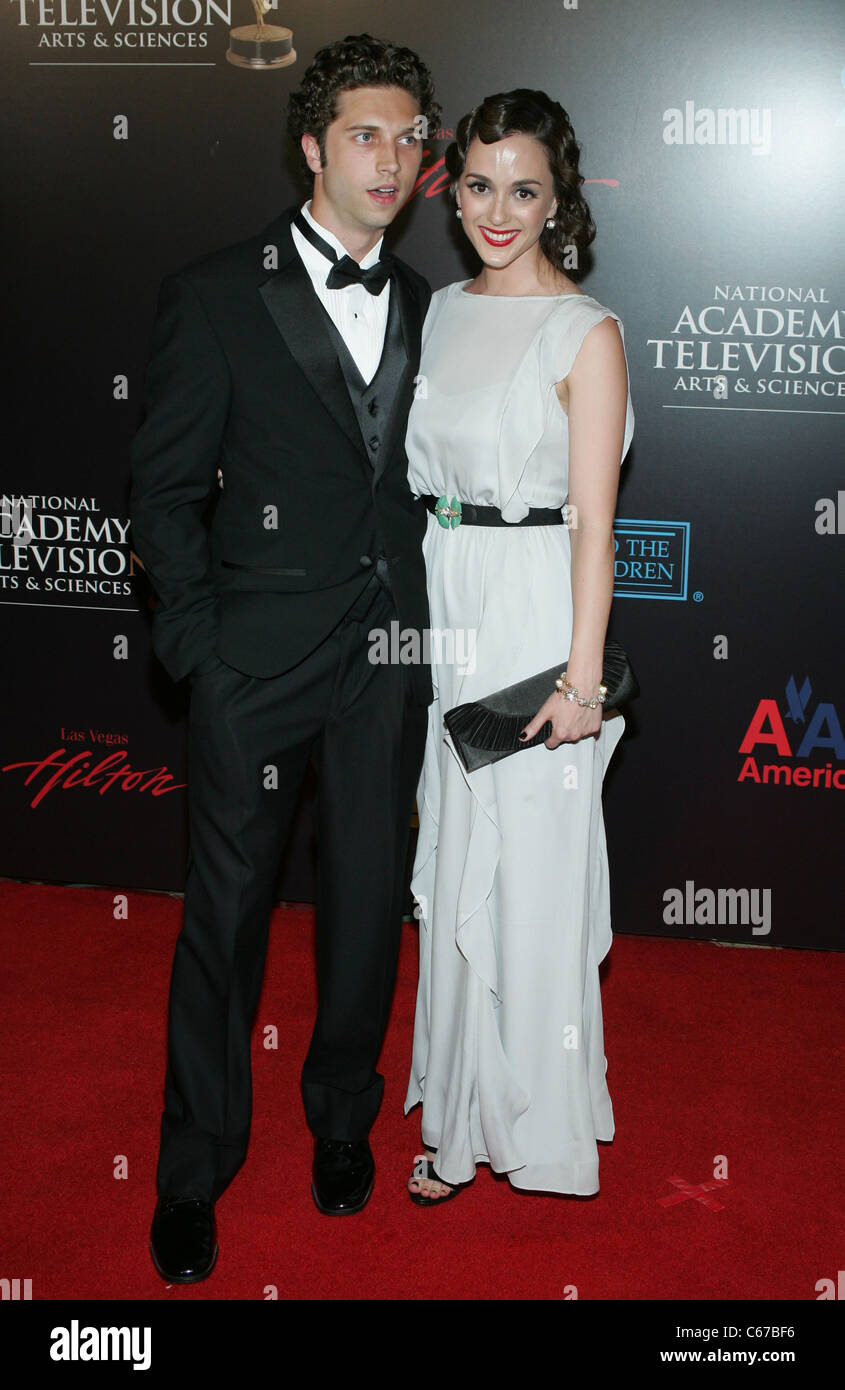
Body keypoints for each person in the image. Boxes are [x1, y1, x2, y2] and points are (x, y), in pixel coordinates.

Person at [129, 33, 440, 1282]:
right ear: (311, 147)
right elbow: (159, 492)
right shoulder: (215, 290)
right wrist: (201, 650)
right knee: (224, 924)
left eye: (411, 137)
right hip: (253, 665)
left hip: (386, 660)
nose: (393, 157)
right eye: (367, 134)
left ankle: (340, 1123)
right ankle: (194, 1170)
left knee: (366, 908)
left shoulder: (429, 305)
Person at [404, 89, 635, 1204]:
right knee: (456, 863)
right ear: (453, 190)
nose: (499, 210)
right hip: (450, 603)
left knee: (531, 876)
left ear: (559, 198)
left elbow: (595, 522)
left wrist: (581, 682)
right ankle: (458, 1112)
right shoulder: (439, 312)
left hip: (539, 617)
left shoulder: (583, 332)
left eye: (525, 188)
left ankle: (535, 1130)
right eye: (480, 185)